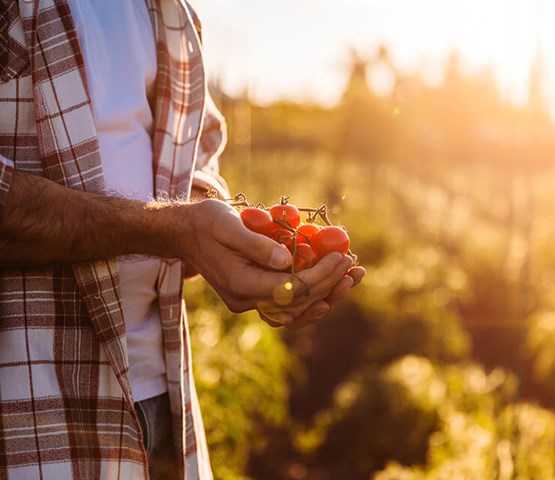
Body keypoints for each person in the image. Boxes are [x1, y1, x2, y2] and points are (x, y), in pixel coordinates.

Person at [0, 0, 365, 478]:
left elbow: (196, 149)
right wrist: (173, 229)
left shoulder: (166, 8)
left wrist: (230, 239)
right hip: (27, 405)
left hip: (162, 398)